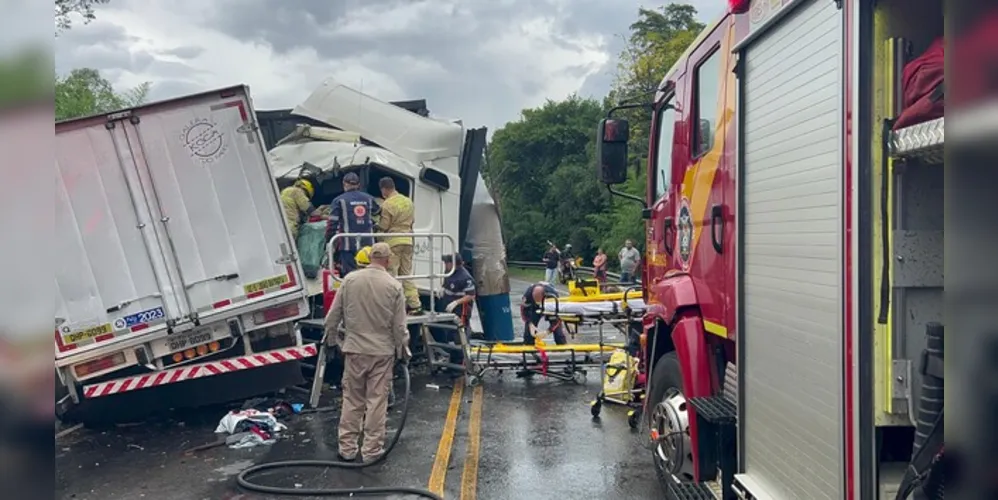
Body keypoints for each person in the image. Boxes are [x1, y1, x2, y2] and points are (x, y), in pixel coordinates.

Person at [323, 242, 410, 463]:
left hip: (354, 350)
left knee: (352, 400)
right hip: (381, 353)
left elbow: (332, 316)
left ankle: (347, 449)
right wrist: (403, 351)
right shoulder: (393, 285)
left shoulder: (350, 280)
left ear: (369, 257)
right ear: (388, 260)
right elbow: (399, 327)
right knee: (376, 402)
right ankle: (371, 452)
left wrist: (331, 340)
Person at [375, 177, 422, 314]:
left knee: (392, 274)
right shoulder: (408, 201)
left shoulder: (387, 204)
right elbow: (412, 221)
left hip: (394, 241)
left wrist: (376, 227)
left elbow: (384, 225)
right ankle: (415, 304)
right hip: (408, 240)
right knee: (406, 273)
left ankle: (393, 305)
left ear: (384, 189)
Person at [325, 172, 378, 276]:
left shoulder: (338, 200)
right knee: (369, 273)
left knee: (350, 275)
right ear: (358, 185)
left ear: (344, 184)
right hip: (368, 244)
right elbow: (378, 212)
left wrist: (329, 239)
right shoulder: (369, 198)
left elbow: (332, 224)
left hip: (347, 245)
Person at [430, 253, 476, 371]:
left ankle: (462, 362)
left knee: (460, 335)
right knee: (450, 334)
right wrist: (442, 290)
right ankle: (453, 359)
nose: (445, 264)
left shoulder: (465, 277)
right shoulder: (449, 273)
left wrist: (456, 302)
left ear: (454, 263)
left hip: (461, 310)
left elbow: (470, 295)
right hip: (449, 309)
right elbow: (447, 285)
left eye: (447, 262)